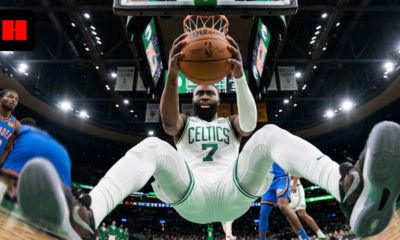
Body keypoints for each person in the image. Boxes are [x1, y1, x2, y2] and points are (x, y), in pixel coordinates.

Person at [16, 33, 400, 240]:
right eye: (199, 92)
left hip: (236, 190)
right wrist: (169, 75)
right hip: (191, 193)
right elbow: (167, 124)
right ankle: (86, 216)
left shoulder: (233, 121)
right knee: (153, 144)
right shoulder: (182, 120)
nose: (203, 95)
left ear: (219, 98)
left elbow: (249, 122)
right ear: (192, 97)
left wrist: (238, 76)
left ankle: (348, 189)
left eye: (210, 92)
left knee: (268, 133)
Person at [259, 163, 310, 240]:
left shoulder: (281, 151)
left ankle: (304, 237)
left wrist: (294, 182)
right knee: (263, 213)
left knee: (283, 206)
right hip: (268, 182)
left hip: (281, 179)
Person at [0, 89, 21, 202]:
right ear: (1, 99)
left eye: (16, 99)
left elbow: (7, 148)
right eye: (11, 97)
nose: (14, 100)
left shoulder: (16, 125)